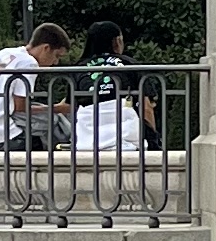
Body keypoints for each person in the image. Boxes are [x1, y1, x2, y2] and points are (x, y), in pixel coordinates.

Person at [64, 20, 155, 181]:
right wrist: (153, 138)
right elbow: (146, 107)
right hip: (125, 141)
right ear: (117, 41)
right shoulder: (129, 65)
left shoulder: (78, 69)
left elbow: (69, 105)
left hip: (87, 143)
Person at [0, 19, 68, 146]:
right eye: (57, 55)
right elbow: (21, 107)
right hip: (6, 132)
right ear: (46, 48)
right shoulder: (29, 63)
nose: (56, 62)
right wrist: (58, 108)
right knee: (56, 121)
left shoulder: (8, 53)